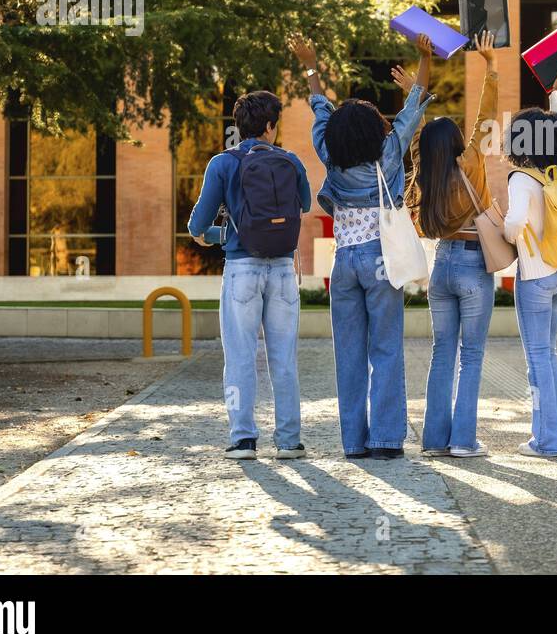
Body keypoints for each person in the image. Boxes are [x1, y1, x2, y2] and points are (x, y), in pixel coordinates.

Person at [292, 33, 433, 461]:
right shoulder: (388, 154)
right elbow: (414, 107)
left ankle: (353, 442)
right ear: (376, 129)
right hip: (381, 260)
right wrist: (425, 58)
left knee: (348, 353)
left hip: (345, 264)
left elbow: (320, 107)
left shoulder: (328, 154)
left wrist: (312, 65)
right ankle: (387, 441)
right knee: (385, 348)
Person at [187, 90, 313, 460]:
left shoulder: (223, 163)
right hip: (283, 271)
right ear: (271, 126)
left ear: (238, 126)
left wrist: (212, 236)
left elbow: (198, 223)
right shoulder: (289, 160)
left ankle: (243, 439)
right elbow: (304, 204)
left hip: (241, 269)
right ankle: (289, 441)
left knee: (240, 355)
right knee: (283, 357)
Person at [402, 31, 500, 458]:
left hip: (440, 266)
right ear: (457, 144)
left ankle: (434, 441)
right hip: (474, 264)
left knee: (442, 352)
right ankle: (463, 441)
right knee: (471, 355)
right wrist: (491, 68)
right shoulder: (471, 162)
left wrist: (415, 98)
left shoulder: (427, 174)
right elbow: (484, 119)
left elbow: (421, 143)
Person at [503, 68, 557, 457]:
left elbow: (514, 223)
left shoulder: (521, 178)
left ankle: (546, 440)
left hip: (535, 276)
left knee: (537, 360)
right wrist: (554, 98)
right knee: (548, 356)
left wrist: (505, 233)